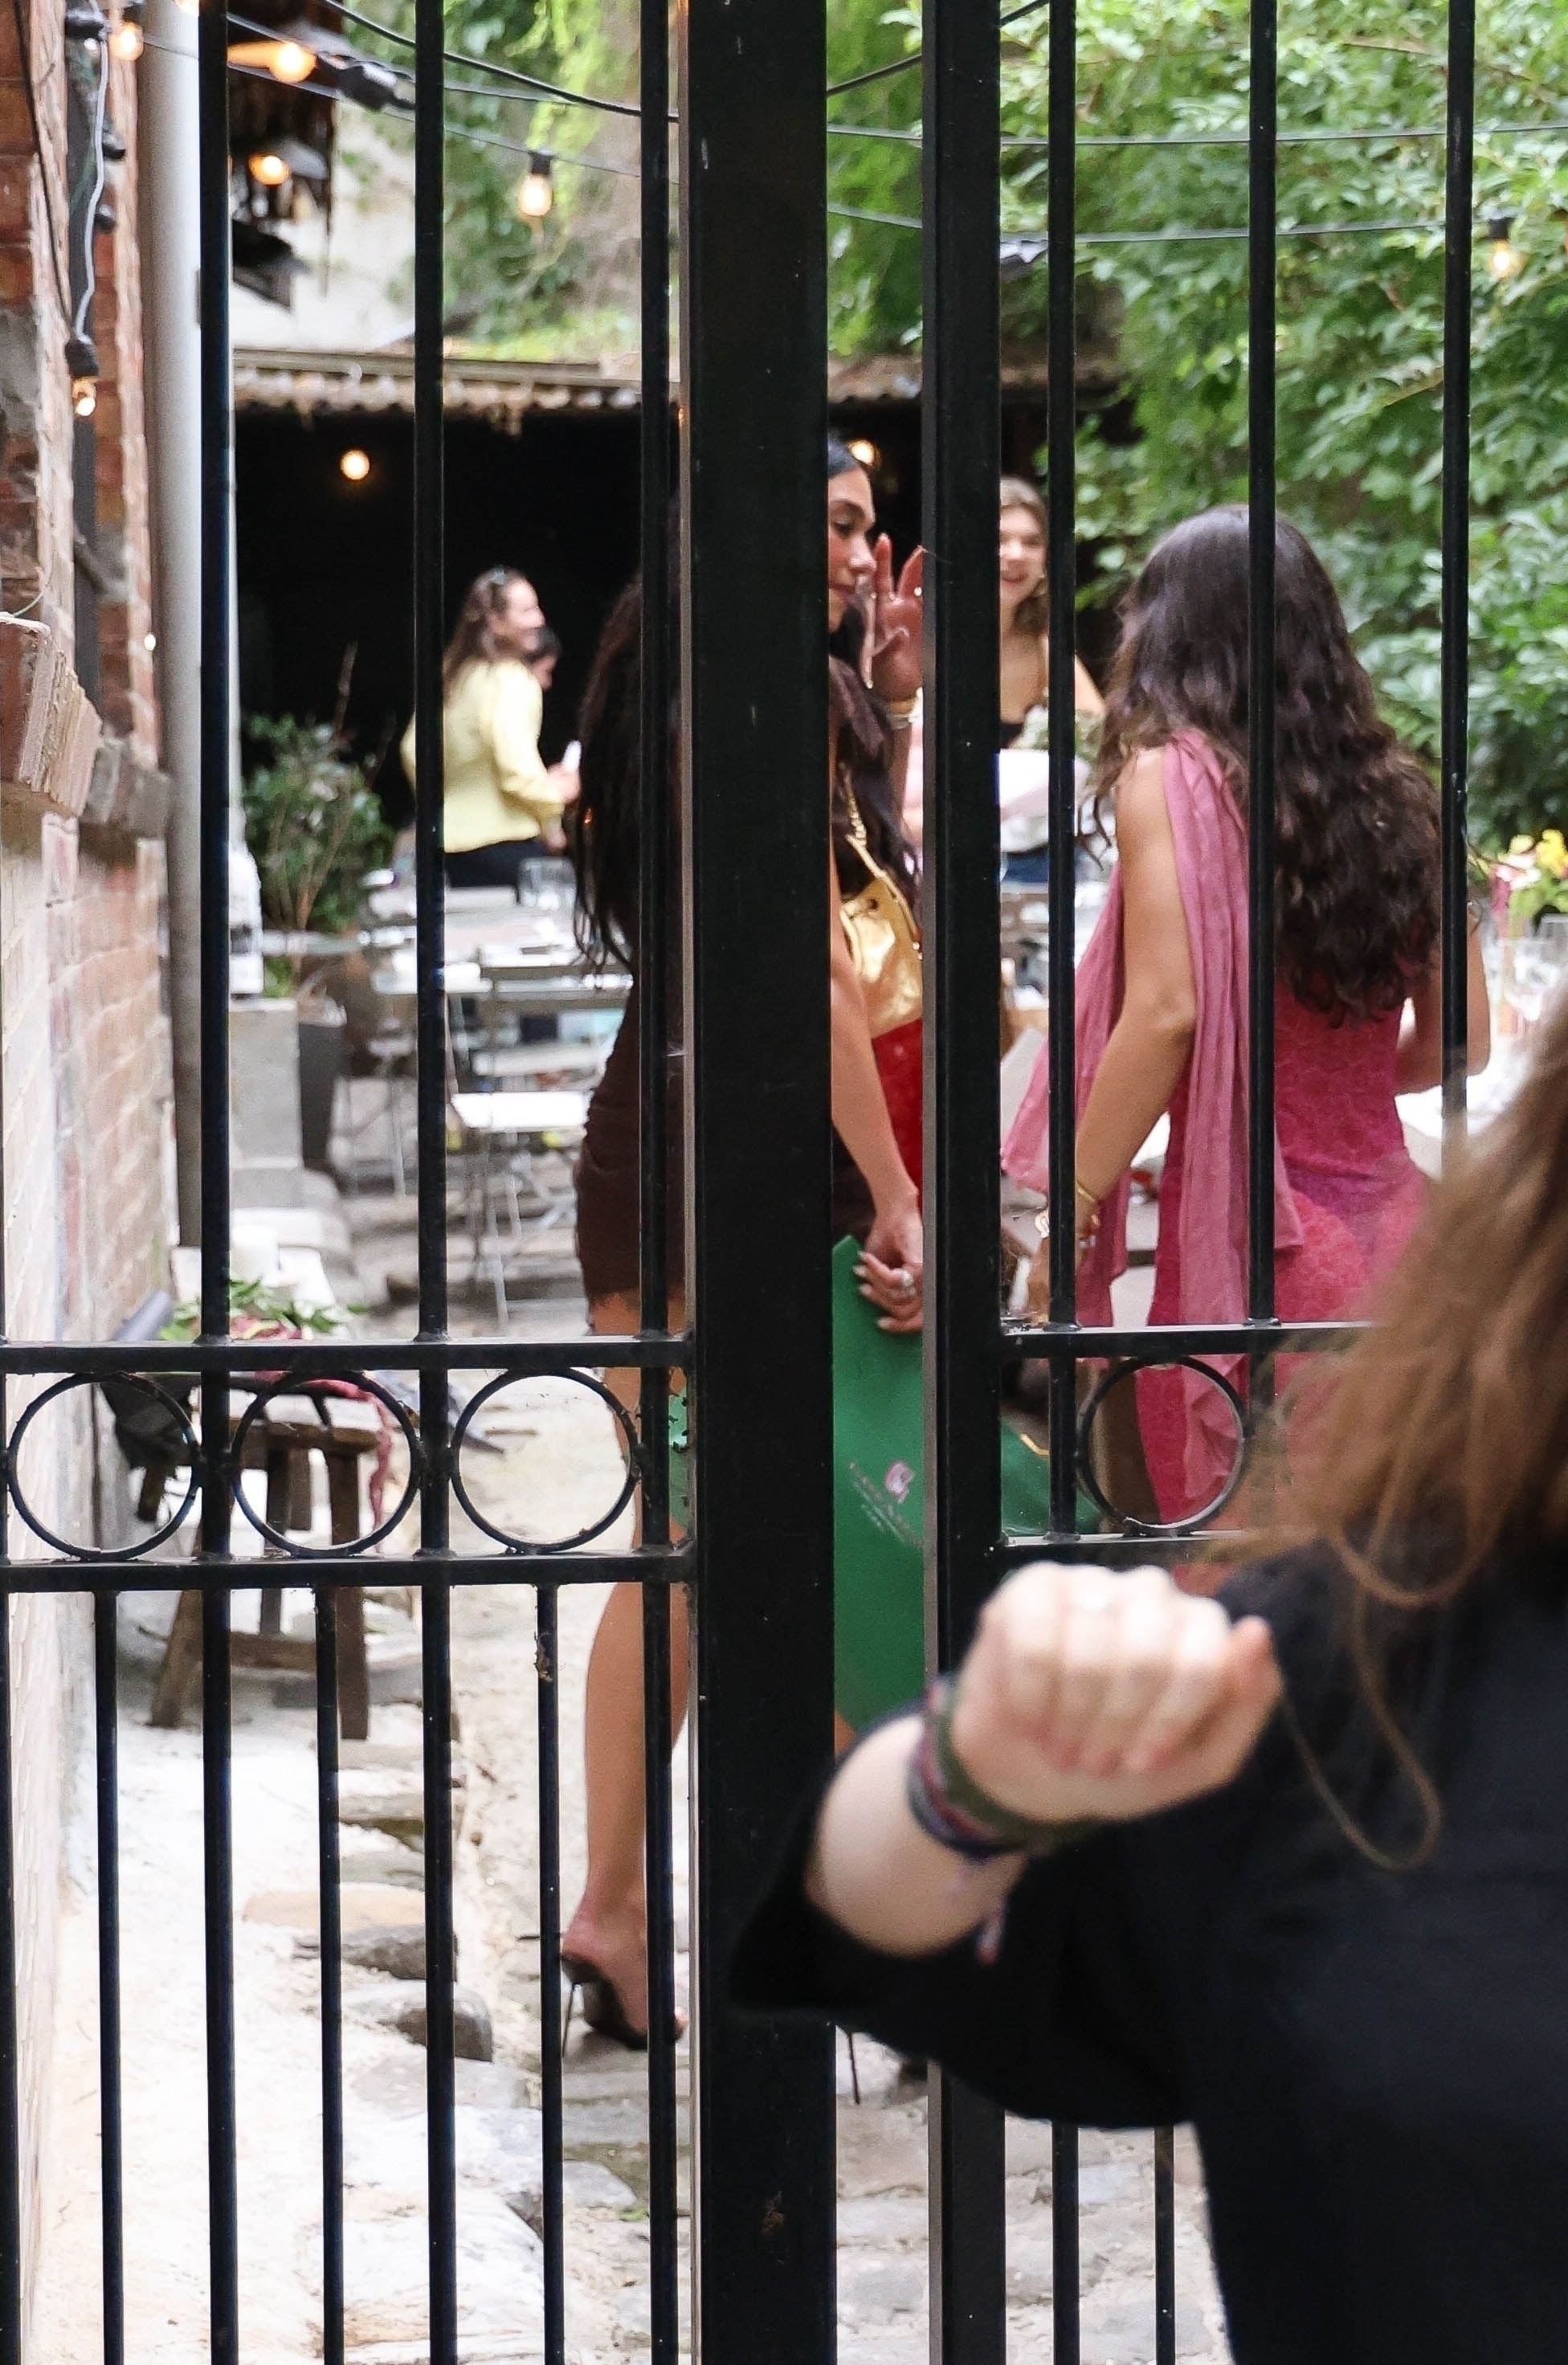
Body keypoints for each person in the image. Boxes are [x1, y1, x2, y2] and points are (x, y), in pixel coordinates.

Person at [738, 978, 1568, 2363]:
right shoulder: (1385, 1653)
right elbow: (882, 1924)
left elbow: (1177, 1014)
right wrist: (977, 1769)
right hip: (1303, 1231)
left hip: (1263, 1231)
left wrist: (1049, 1204)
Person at [559, 446, 925, 2043]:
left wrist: (888, 697)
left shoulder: (698, 682)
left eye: (866, 526)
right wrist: (897, 1187)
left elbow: (847, 902)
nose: (859, 551)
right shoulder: (757, 704)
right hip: (740, 1158)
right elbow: (819, 972)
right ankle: (873, 1925)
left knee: (693, 1544)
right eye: (835, 523)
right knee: (809, 1544)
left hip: (666, 1135)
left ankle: (628, 1905)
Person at [1002, 508, 1490, 1522]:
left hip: (1261, 1249)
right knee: (1384, 1572)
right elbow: (1462, 1042)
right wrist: (1339, 1080)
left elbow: (1166, 1013)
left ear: (1171, 635)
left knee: (1242, 1582)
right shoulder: (1404, 798)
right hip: (1406, 1248)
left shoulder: (1173, 780)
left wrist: (1069, 1210)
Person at [399, 566, 563, 889]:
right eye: (526, 611)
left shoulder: (454, 678)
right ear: (496, 622)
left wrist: (445, 799)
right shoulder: (513, 680)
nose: (539, 619)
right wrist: (554, 795)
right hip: (507, 845)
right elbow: (514, 766)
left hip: (448, 845)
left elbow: (411, 750)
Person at [997, 477, 1105, 883]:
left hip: (1036, 860)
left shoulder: (1045, 652)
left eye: (1031, 542)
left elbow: (1103, 738)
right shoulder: (926, 642)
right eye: (1000, 539)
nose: (1016, 555)